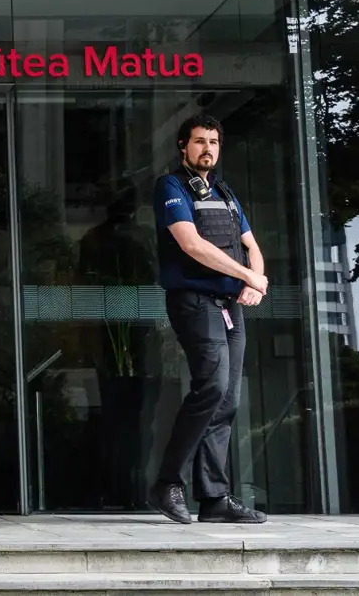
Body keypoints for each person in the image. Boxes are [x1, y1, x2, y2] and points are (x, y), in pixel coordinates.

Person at [147, 114, 269, 525]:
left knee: (227, 400)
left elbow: (252, 246)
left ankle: (214, 499)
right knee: (212, 387)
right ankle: (168, 483)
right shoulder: (171, 186)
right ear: (183, 146)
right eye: (200, 141)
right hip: (195, 301)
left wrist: (256, 280)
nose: (208, 149)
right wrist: (247, 275)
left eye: (214, 142)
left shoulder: (224, 191)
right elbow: (191, 244)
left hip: (230, 305)